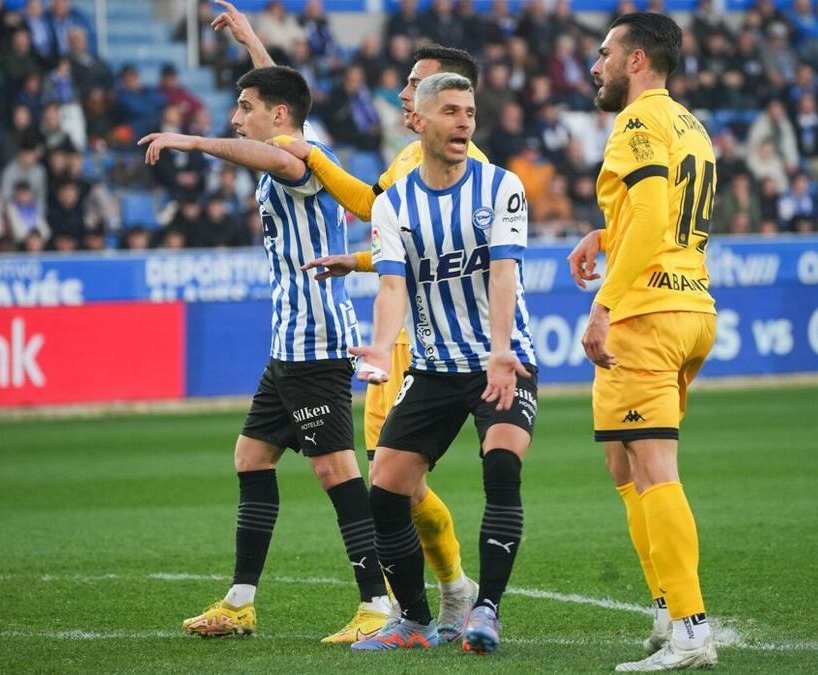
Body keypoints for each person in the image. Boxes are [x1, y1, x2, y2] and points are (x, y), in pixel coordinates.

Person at [213, 1, 481, 641]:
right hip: (350, 340)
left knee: (380, 476)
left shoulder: (440, 161)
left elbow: (370, 208)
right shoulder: (410, 154)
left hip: (428, 344)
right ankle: (443, 590)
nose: (402, 90)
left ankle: (404, 600)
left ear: (448, 91)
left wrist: (191, 141)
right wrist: (255, 42)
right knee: (375, 475)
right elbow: (283, 107)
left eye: (416, 83)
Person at [138, 66, 390, 644]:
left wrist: (192, 141)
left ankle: (378, 602)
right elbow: (285, 93)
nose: (235, 117)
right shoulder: (301, 128)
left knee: (335, 471)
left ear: (277, 117)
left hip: (315, 344)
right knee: (252, 457)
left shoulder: (298, 159)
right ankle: (241, 602)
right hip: (288, 346)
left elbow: (283, 161)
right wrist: (251, 42)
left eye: (244, 106)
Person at [346, 73, 538, 655]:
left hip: (502, 361)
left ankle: (487, 611)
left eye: (470, 112)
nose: (464, 123)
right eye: (451, 111)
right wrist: (381, 345)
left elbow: (504, 274)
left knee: (501, 464)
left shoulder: (501, 187)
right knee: (385, 489)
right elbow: (391, 287)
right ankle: (415, 621)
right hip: (432, 368)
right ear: (417, 122)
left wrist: (501, 350)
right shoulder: (393, 207)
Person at [568, 12, 718, 671]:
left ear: (635, 61)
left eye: (605, 54)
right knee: (625, 465)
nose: (595, 65)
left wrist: (604, 304)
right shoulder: (689, 123)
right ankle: (667, 605)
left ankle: (690, 629)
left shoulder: (633, 121)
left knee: (653, 469)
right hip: (691, 305)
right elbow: (660, 213)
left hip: (648, 313)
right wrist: (603, 235)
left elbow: (656, 214)